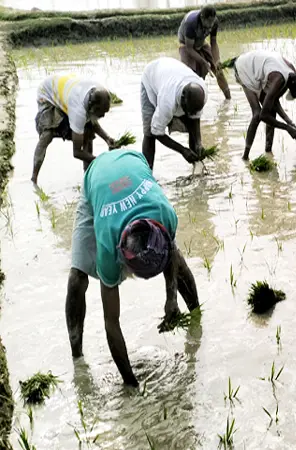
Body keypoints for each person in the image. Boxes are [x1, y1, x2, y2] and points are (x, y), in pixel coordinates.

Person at [65, 150, 199, 387]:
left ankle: (197, 316)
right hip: (96, 177)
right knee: (77, 277)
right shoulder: (107, 248)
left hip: (132, 161)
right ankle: (77, 356)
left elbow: (170, 254)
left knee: (177, 260)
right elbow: (111, 322)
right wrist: (131, 384)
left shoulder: (165, 214)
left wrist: (172, 299)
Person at [32, 74, 120, 185]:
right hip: (47, 94)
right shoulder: (78, 111)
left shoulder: (98, 92)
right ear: (92, 107)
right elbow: (77, 152)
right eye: (101, 113)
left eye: (105, 112)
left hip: (67, 93)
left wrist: (107, 138)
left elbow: (92, 120)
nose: (103, 116)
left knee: (88, 133)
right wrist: (99, 161)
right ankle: (34, 179)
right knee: (47, 134)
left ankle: (87, 177)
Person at [231, 50, 296, 159]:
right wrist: (287, 128)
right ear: (295, 84)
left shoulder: (291, 74)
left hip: (258, 68)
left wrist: (289, 121)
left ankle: (268, 152)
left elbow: (274, 100)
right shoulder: (279, 79)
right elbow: (263, 116)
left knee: (271, 111)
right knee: (257, 114)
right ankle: (245, 156)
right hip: (245, 68)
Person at [141, 57, 208, 170]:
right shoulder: (167, 101)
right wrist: (182, 150)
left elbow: (195, 121)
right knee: (149, 133)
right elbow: (156, 131)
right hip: (151, 77)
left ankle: (197, 169)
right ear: (182, 99)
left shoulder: (202, 93)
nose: (190, 114)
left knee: (192, 126)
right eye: (188, 111)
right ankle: (147, 172)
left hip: (169, 72)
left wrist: (198, 143)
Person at [178, 5, 231, 100]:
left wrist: (217, 60)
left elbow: (213, 42)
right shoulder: (191, 24)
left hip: (201, 41)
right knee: (191, 75)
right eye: (209, 21)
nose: (211, 25)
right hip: (186, 44)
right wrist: (204, 62)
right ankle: (192, 100)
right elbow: (190, 48)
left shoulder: (214, 22)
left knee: (218, 69)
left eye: (212, 21)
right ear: (202, 18)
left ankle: (228, 99)